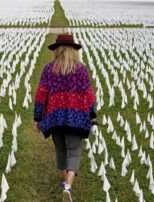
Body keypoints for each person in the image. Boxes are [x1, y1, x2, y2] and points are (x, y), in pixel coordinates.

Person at [33, 34, 97, 202]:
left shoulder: (49, 69)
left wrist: (38, 117)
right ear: (72, 50)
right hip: (76, 118)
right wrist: (92, 113)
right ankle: (68, 186)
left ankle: (66, 185)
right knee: (74, 152)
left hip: (55, 118)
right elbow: (89, 94)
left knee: (61, 151)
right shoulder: (81, 69)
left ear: (57, 50)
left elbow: (41, 94)